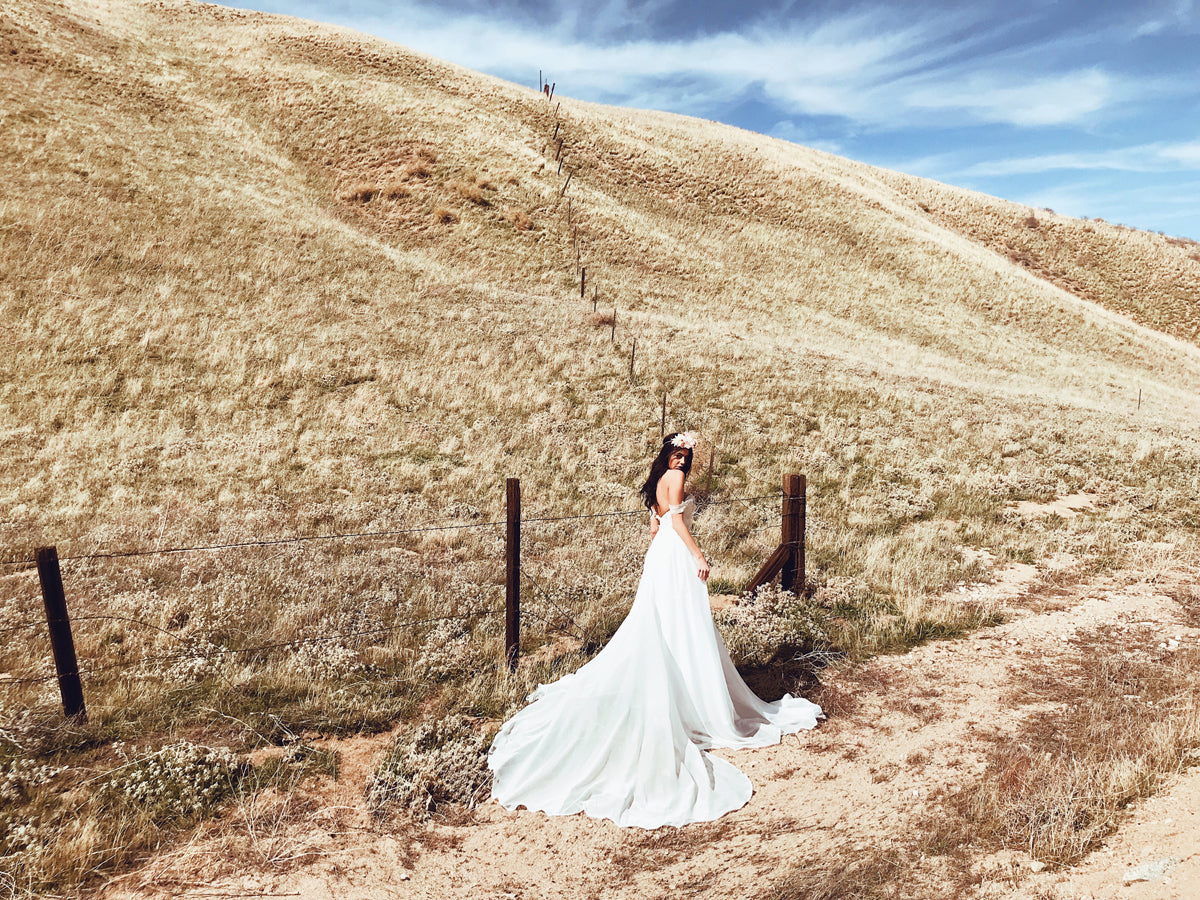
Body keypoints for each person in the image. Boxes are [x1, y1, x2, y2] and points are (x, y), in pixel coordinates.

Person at [487, 432, 822, 828]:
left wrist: (662, 531)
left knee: (666, 621)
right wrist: (698, 554)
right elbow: (676, 521)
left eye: (685, 456)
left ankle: (681, 689)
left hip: (659, 554)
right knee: (684, 622)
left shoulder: (657, 480)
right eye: (677, 454)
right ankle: (695, 700)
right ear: (668, 454)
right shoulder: (675, 479)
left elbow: (656, 522)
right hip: (675, 554)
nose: (681, 461)